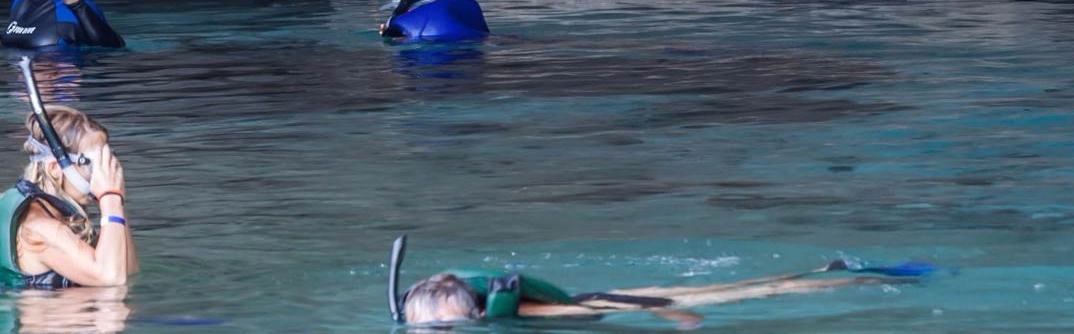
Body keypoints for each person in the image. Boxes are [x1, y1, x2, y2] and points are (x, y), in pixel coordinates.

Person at [388, 236, 932, 325]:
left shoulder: (526, 313)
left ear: (475, 311)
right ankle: (827, 272)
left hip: (629, 299)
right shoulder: (498, 312)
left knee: (760, 292)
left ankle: (860, 280)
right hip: (619, 295)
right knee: (752, 284)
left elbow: (601, 309)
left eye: (444, 327)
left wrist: (671, 314)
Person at [0, 103, 137, 287]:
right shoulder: (38, 227)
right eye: (92, 164)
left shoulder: (54, 212)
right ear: (55, 168)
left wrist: (116, 204)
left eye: (106, 161)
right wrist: (110, 197)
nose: (102, 174)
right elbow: (112, 279)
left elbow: (127, 270)